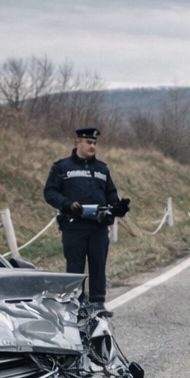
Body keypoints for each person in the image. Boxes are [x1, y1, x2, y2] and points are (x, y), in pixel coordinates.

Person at [43, 127, 131, 311]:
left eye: (95, 143)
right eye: (88, 142)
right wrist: (66, 204)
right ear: (78, 143)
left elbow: (110, 193)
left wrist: (118, 207)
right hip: (74, 227)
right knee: (75, 267)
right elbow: (50, 192)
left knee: (98, 265)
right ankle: (75, 304)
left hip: (98, 227)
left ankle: (98, 304)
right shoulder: (62, 167)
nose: (92, 146)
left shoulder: (102, 169)